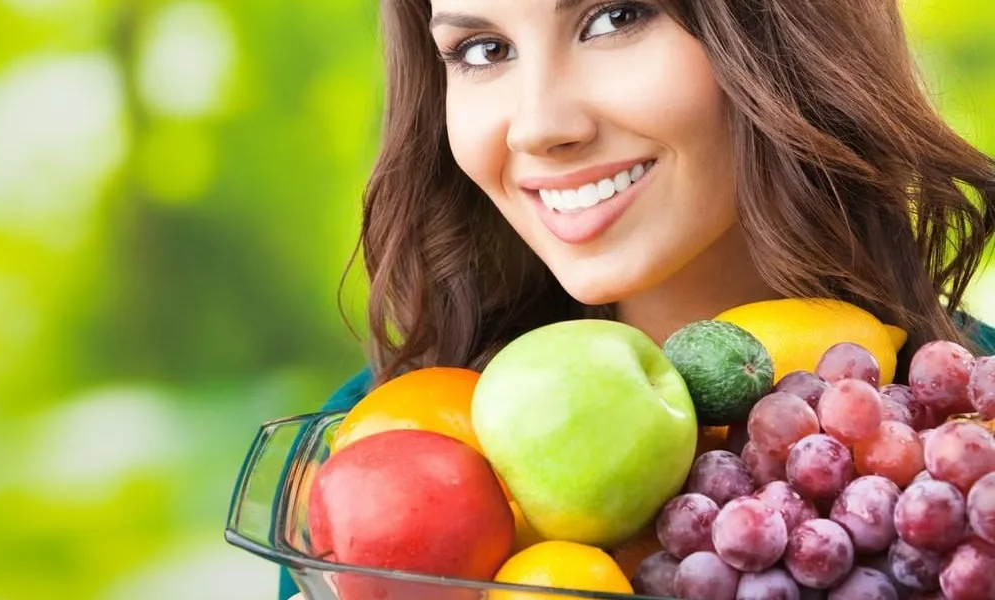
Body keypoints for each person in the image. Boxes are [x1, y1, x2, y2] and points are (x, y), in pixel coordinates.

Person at [277, 0, 995, 597]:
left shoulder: (965, 438)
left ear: (779, 31)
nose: (538, 125)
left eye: (614, 16)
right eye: (484, 49)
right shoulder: (372, 442)